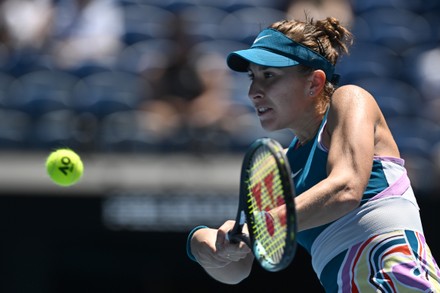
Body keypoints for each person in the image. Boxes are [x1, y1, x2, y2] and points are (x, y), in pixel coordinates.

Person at [186, 16, 440, 292]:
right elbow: (237, 270)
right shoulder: (272, 170)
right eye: (252, 77)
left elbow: (346, 189)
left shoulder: (351, 100)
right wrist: (203, 243)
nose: (253, 92)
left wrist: (262, 224)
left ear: (314, 83)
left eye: (268, 76)